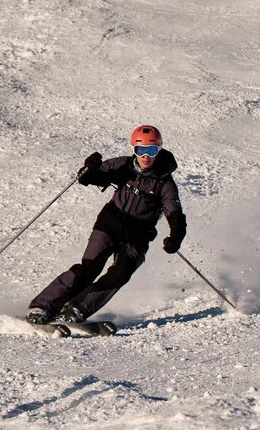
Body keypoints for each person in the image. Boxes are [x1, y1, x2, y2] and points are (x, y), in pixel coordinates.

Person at [25, 125, 186, 324]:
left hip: (138, 235)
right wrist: (89, 169)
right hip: (110, 225)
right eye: (140, 150)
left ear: (159, 149)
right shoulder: (123, 165)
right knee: (89, 268)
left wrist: (176, 236)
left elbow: (174, 212)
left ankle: (77, 309)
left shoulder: (165, 183)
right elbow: (91, 177)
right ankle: (42, 306)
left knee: (121, 272)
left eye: (151, 150)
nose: (145, 156)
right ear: (134, 150)